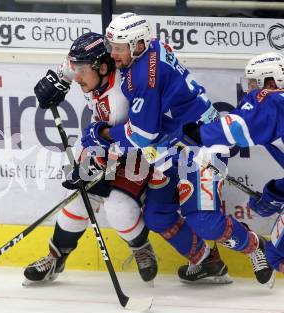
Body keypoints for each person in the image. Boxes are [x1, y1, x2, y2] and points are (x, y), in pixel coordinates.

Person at [81, 12, 274, 284]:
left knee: (205, 220)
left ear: (137, 45)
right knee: (158, 216)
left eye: (119, 48)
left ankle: (256, 245)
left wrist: (100, 133)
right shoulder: (150, 48)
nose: (113, 54)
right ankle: (207, 260)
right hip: (172, 147)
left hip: (202, 147)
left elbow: (140, 136)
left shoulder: (144, 78)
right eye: (112, 47)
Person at [23, 32, 157, 285]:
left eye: (82, 71)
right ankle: (56, 257)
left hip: (134, 151)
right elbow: (69, 67)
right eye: (77, 70)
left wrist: (99, 164)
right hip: (101, 140)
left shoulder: (120, 95)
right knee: (76, 201)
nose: (78, 77)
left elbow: (126, 139)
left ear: (103, 67)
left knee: (119, 209)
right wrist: (59, 80)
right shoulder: (92, 71)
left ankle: (141, 247)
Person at [178, 52, 284, 274]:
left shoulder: (273, 99)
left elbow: (238, 125)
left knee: (277, 253)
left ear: (271, 82)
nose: (249, 89)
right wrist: (276, 192)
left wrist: (201, 134)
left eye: (254, 82)